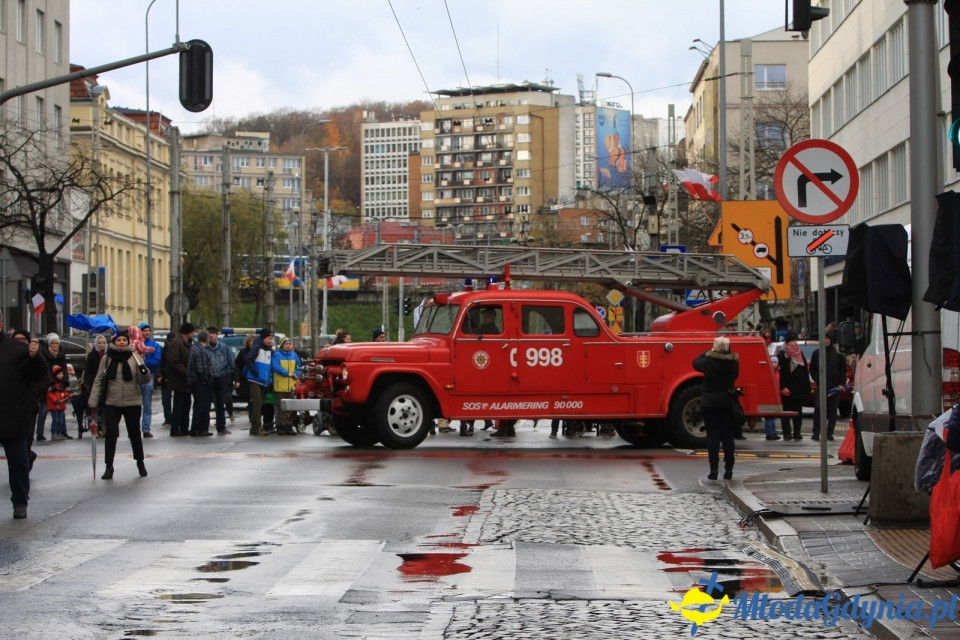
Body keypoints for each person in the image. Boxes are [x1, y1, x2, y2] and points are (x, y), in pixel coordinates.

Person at [0, 314, 49, 518]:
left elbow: (39, 373)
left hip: (14, 415)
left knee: (18, 463)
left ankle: (20, 502)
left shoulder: (18, 349)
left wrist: (36, 356)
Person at [89, 331, 151, 480]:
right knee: (111, 434)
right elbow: (98, 380)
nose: (122, 342)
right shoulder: (107, 358)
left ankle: (140, 462)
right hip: (112, 401)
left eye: (124, 340)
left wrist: (144, 372)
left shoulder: (135, 357)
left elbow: (144, 380)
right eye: (119, 340)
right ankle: (109, 466)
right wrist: (93, 400)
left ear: (128, 342)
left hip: (132, 401)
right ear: (114, 342)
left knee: (134, 434)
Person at [693, 336, 740, 481]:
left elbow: (695, 363)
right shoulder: (734, 363)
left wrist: (708, 351)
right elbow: (735, 376)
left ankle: (714, 469)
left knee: (712, 436)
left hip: (709, 402)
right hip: (727, 402)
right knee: (727, 436)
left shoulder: (708, 362)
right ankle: (729, 468)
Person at [12, 329, 49, 473]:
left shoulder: (35, 358)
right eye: (16, 339)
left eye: (23, 339)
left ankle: (22, 468)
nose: (19, 342)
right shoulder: (7, 355)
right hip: (9, 406)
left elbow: (44, 377)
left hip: (27, 406)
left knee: (25, 441)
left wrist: (32, 395)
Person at [810, 330, 847, 441]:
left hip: (834, 387)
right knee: (818, 409)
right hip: (822, 386)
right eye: (824, 338)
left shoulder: (838, 356)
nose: (825, 341)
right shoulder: (816, 354)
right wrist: (818, 380)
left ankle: (829, 433)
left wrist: (841, 384)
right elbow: (813, 370)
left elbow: (843, 371)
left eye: (827, 338)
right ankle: (816, 432)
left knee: (832, 411)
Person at [777, 331, 810, 441]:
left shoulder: (800, 353)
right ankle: (787, 433)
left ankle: (797, 432)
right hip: (787, 388)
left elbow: (804, 370)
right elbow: (779, 373)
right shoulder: (783, 354)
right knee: (786, 412)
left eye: (796, 340)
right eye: (792, 341)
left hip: (799, 389)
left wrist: (806, 387)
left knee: (798, 413)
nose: (795, 343)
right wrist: (782, 387)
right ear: (787, 342)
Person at [35, 333, 69, 441]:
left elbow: (64, 370)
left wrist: (64, 382)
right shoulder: (44, 355)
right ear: (49, 344)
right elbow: (45, 371)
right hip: (48, 386)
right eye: (53, 343)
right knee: (43, 410)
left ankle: (63, 432)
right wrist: (51, 383)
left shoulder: (61, 354)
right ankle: (40, 433)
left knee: (61, 409)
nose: (55, 345)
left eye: (57, 343)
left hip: (59, 385)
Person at [165, 323, 195, 437]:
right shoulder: (178, 343)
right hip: (179, 380)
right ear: (188, 332)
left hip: (185, 381)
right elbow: (173, 360)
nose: (193, 334)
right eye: (192, 332)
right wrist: (185, 371)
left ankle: (184, 427)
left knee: (186, 405)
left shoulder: (187, 343)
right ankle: (175, 428)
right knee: (179, 405)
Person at [245, 328, 275, 436]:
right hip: (255, 379)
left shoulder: (269, 350)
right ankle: (256, 427)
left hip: (263, 381)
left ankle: (256, 427)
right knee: (257, 404)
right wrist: (255, 372)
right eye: (268, 338)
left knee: (260, 404)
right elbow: (248, 360)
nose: (270, 341)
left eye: (271, 339)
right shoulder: (257, 347)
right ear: (263, 338)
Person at [79, 334, 108, 437]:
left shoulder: (108, 355)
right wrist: (88, 383)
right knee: (94, 408)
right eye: (99, 343)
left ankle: (104, 428)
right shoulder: (92, 356)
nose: (101, 345)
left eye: (103, 343)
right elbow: (88, 371)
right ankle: (94, 429)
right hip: (94, 384)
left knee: (105, 408)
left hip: (106, 385)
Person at [271, 337, 302, 436]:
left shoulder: (294, 355)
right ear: (282, 345)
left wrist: (296, 373)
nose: (288, 345)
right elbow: (275, 366)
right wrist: (287, 373)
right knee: (281, 407)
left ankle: (289, 425)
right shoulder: (277, 354)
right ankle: (280, 426)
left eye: (289, 344)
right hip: (280, 385)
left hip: (291, 385)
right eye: (286, 344)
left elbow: (299, 366)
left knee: (291, 407)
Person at [186, 329, 213, 437]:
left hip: (195, 381)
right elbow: (202, 369)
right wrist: (207, 379)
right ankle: (199, 428)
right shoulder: (201, 350)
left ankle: (199, 428)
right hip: (201, 382)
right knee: (202, 406)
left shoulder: (195, 348)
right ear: (206, 339)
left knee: (199, 405)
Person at [206, 327, 234, 435]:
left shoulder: (224, 348)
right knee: (206, 404)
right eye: (210, 333)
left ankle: (221, 426)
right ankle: (205, 426)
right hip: (208, 379)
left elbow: (231, 364)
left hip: (220, 378)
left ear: (217, 335)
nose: (211, 335)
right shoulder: (205, 348)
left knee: (220, 404)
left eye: (213, 333)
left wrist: (224, 374)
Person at [137, 323, 162, 438]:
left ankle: (146, 429)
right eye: (144, 330)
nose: (146, 332)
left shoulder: (154, 345)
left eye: (148, 330)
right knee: (135, 406)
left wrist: (142, 362)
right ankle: (134, 428)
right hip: (136, 378)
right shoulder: (135, 344)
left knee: (147, 406)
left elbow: (156, 361)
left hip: (149, 377)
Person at [45, 366, 72, 441]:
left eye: (62, 374)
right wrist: (55, 400)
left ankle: (59, 433)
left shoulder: (61, 384)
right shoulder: (53, 384)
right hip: (55, 405)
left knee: (60, 420)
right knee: (56, 419)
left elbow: (64, 392)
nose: (61, 375)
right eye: (59, 374)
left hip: (60, 404)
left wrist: (69, 395)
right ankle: (54, 433)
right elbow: (50, 394)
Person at [234, 333, 256, 421]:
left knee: (254, 398)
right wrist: (237, 379)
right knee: (249, 398)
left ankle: (254, 415)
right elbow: (237, 365)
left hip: (256, 378)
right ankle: (251, 415)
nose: (253, 343)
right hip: (246, 379)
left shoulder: (259, 352)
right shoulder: (243, 352)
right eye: (251, 341)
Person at [157, 331, 175, 426]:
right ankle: (168, 418)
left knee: (174, 400)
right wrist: (161, 376)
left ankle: (173, 418)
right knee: (166, 399)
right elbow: (160, 364)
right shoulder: (163, 350)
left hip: (174, 378)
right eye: (169, 341)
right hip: (166, 378)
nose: (170, 343)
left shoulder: (176, 350)